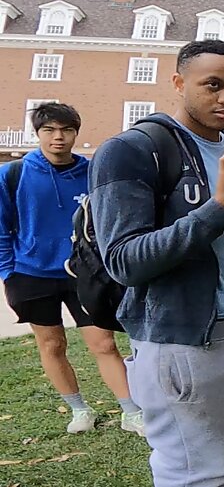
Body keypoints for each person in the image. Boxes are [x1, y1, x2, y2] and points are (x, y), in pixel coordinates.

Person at [89, 39, 224, 486]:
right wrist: (221, 206)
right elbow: (124, 260)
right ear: (178, 82)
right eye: (213, 84)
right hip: (183, 334)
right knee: (197, 472)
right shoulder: (130, 150)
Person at [0, 102, 143, 436]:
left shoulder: (93, 171)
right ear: (37, 134)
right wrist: (9, 272)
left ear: (76, 133)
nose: (58, 138)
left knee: (104, 344)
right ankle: (79, 409)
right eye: (49, 130)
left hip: (85, 272)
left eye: (66, 130)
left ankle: (131, 411)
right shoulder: (12, 174)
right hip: (31, 273)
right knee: (51, 345)